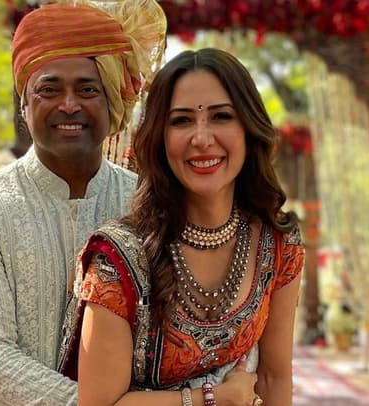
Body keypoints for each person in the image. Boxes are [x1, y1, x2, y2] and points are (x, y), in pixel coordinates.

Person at [0, 1, 170, 404]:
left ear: (112, 101)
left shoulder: (148, 205)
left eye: (88, 89)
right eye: (49, 89)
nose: (69, 104)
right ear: (24, 105)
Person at [58, 48, 305, 405]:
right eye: (182, 121)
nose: (201, 138)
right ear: (159, 138)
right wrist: (214, 398)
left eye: (221, 116)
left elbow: (274, 377)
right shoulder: (119, 260)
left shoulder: (278, 243)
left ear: (249, 130)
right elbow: (100, 404)